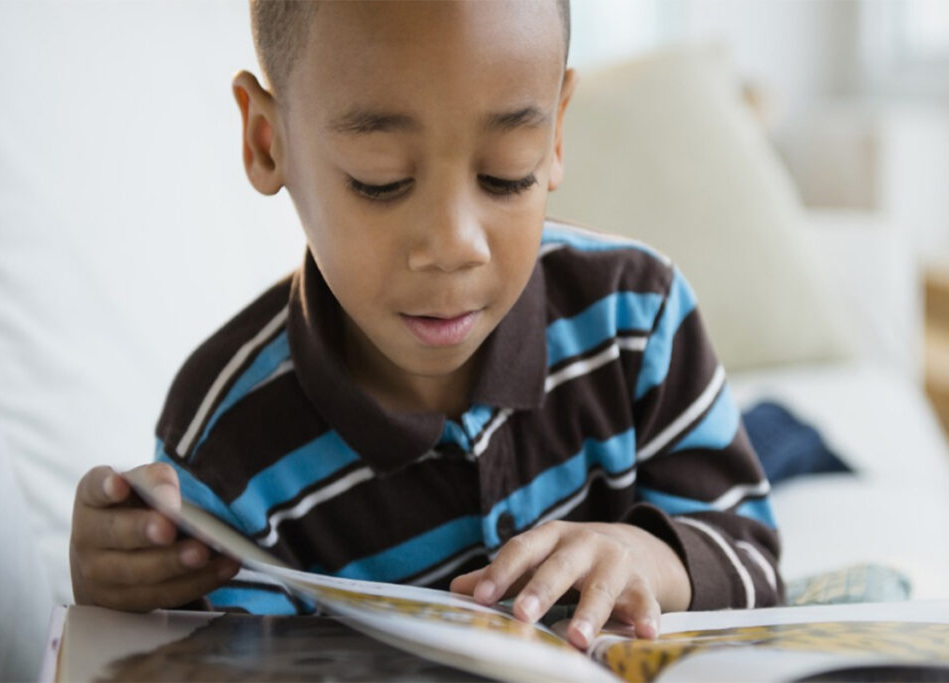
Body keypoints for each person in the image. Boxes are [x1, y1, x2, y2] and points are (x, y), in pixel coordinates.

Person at [69, 0, 784, 650]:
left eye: (507, 173)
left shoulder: (638, 317)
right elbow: (214, 656)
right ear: (266, 140)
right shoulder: (226, 448)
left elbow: (754, 563)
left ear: (557, 132)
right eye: (381, 180)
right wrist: (129, 594)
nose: (454, 245)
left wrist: (644, 556)